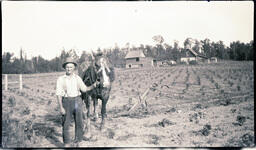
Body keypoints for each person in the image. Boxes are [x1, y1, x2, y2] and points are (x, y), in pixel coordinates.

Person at [56, 57, 97, 147]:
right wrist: (61, 107)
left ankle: (79, 141)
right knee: (66, 123)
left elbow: (84, 89)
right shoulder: (61, 79)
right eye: (67, 67)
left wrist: (93, 86)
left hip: (77, 101)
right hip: (66, 101)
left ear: (74, 68)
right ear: (65, 68)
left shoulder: (77, 78)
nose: (69, 69)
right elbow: (58, 94)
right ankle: (67, 143)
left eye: (71, 67)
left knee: (79, 122)